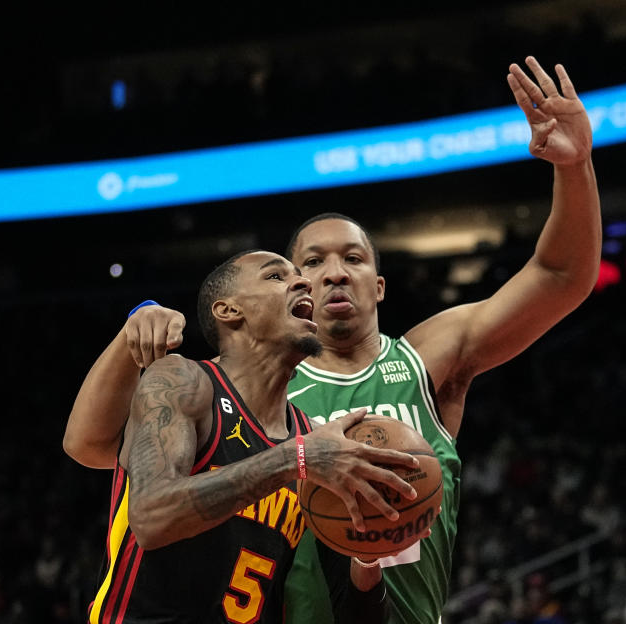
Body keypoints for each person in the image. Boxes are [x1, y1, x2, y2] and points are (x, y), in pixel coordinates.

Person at [65, 56, 602, 623]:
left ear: (380, 285)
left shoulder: (423, 360)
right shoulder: (250, 390)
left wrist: (577, 167)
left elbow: (561, 277)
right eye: (308, 263)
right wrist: (136, 328)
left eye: (353, 258)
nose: (330, 273)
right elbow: (103, 451)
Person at [85, 249, 422, 624]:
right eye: (276, 276)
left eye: (298, 275)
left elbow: (354, 615)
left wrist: (368, 548)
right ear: (229, 311)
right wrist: (295, 459)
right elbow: (151, 518)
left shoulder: (314, 439)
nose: (302, 281)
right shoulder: (184, 382)